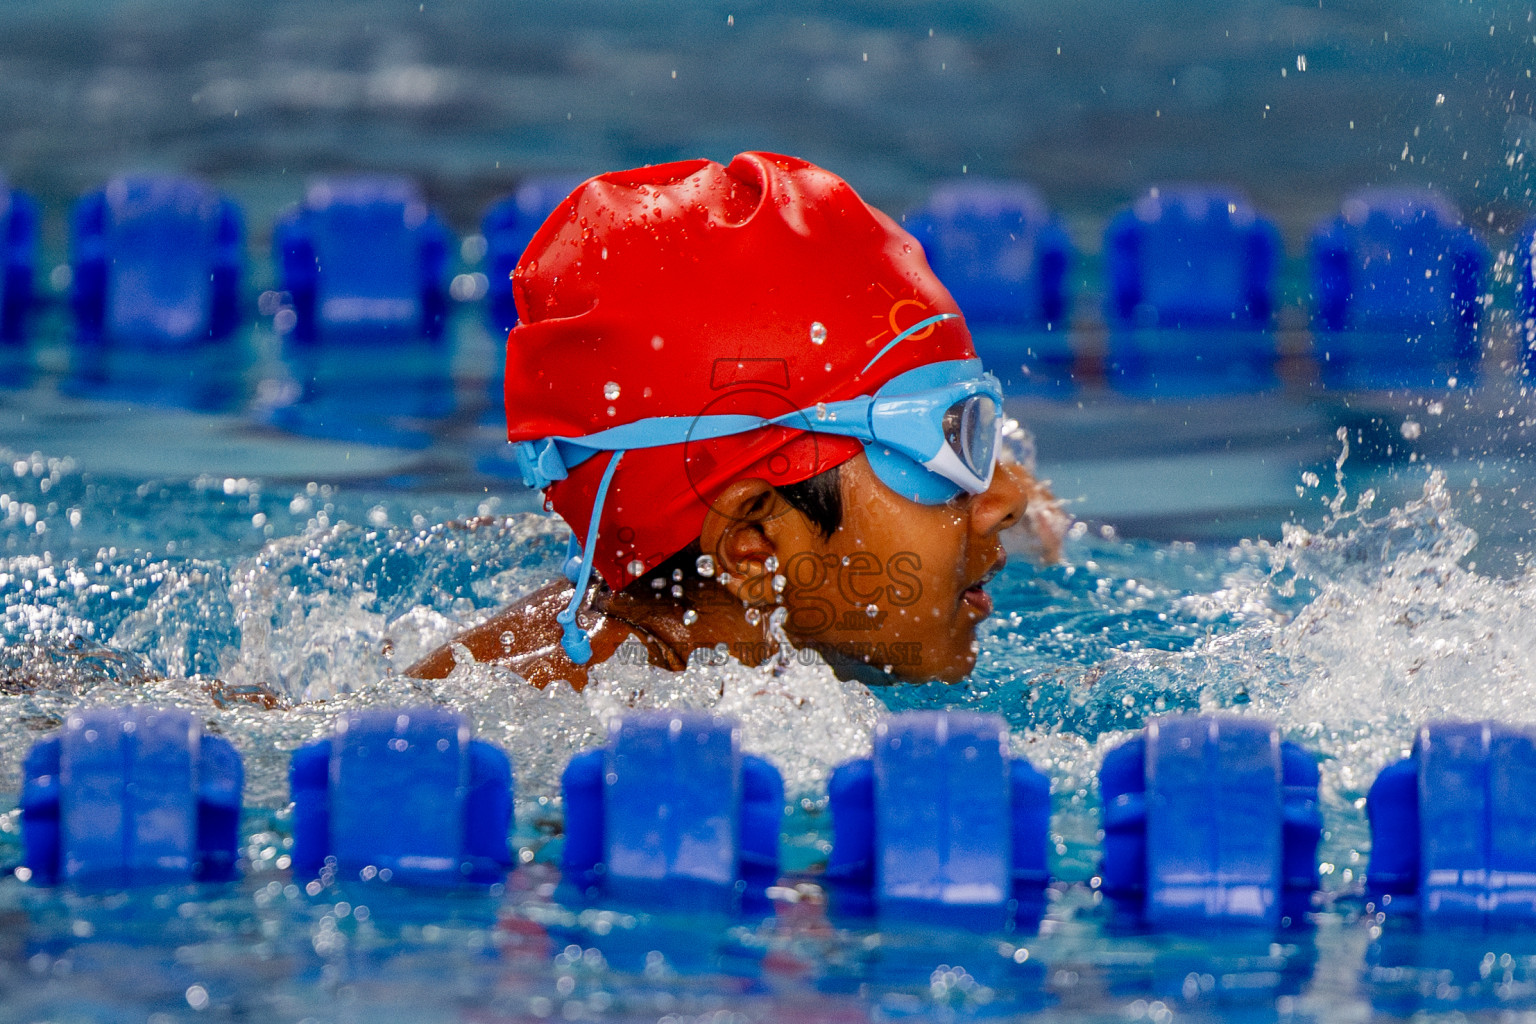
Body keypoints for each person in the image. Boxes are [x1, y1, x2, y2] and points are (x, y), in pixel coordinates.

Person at [408, 152, 1066, 690]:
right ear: (753, 545)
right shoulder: (567, 741)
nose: (1001, 498)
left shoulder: (714, 624)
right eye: (940, 450)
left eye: (977, 427)